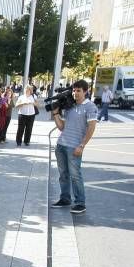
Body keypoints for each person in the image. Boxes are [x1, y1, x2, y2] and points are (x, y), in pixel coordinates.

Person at [51, 79, 97, 215]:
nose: (75, 93)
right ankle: (65, 198)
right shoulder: (70, 106)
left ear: (85, 92)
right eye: (74, 90)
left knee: (75, 175)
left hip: (74, 147)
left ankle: (80, 203)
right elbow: (62, 127)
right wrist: (55, 114)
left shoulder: (90, 107)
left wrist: (82, 145)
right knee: (63, 174)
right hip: (61, 145)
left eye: (78, 91)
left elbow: (91, 127)